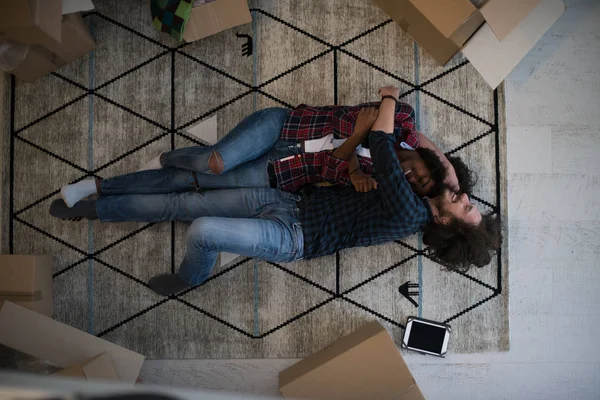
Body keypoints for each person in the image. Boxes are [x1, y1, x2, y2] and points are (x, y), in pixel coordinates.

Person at [50, 86, 501, 297]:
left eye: (465, 209)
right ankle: (99, 208)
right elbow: (409, 144)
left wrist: (386, 100)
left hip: (294, 239)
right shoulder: (414, 196)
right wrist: (446, 172)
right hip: (289, 198)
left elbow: (382, 142)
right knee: (181, 202)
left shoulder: (409, 214)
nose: (464, 198)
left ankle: (190, 279)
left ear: (444, 221)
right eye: (468, 199)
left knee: (202, 228)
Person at [58, 100, 464, 209]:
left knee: (195, 184)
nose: (412, 180)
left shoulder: (379, 183)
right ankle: (174, 156)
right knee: (210, 162)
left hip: (279, 173)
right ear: (427, 161)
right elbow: (345, 122)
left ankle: (99, 186)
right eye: (423, 177)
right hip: (283, 126)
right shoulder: (402, 120)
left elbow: (333, 166)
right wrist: (357, 138)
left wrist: (355, 149)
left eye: (418, 189)